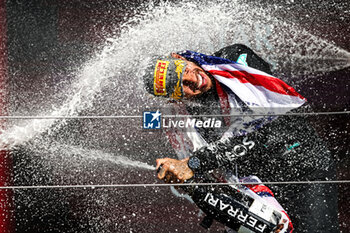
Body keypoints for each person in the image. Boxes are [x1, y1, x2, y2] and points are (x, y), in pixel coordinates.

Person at [143, 44, 339, 233]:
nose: (193, 81)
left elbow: (267, 128)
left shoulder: (235, 59)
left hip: (303, 169)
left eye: (182, 72)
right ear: (174, 99)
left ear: (179, 58)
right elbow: (211, 184)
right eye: (180, 87)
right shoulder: (183, 124)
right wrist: (187, 181)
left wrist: (193, 164)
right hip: (257, 187)